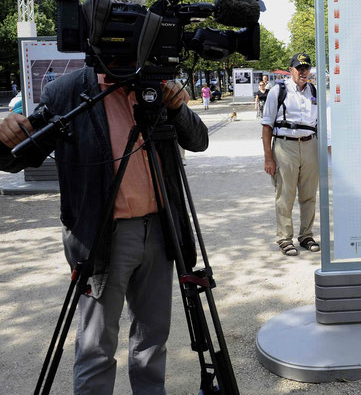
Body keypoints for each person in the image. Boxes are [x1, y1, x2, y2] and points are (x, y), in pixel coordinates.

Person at [0, 65, 208, 393]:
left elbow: (199, 141)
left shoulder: (157, 87)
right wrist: (7, 133)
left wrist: (178, 107)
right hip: (101, 237)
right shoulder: (68, 92)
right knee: (96, 346)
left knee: (153, 339)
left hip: (159, 231)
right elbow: (13, 158)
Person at [261, 53, 319, 256]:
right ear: (291, 70)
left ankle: (306, 235)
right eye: (299, 68)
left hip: (310, 145)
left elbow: (319, 123)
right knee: (285, 194)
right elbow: (267, 126)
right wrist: (269, 157)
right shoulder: (278, 91)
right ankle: (285, 239)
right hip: (285, 146)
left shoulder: (314, 91)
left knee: (309, 194)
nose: (303, 72)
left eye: (306, 68)